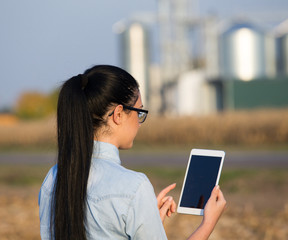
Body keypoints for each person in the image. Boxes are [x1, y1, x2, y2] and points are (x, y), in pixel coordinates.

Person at [38, 65, 226, 240]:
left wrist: (147, 221)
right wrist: (208, 223)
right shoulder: (134, 187)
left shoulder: (52, 178)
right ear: (118, 114)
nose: (139, 120)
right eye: (139, 111)